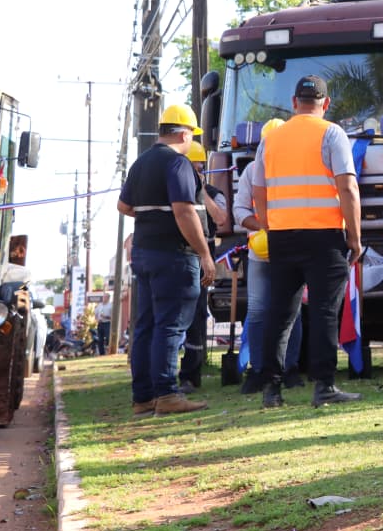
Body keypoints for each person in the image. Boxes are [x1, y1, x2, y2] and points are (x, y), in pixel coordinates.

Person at [253, 75, 364, 409]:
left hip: (283, 237)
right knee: (324, 312)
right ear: (326, 104)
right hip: (324, 237)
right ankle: (324, 386)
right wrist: (355, 237)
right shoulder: (332, 133)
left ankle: (271, 389)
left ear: (293, 102)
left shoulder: (270, 139)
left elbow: (259, 192)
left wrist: (270, 226)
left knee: (280, 313)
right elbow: (347, 188)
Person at [117, 104, 215, 418]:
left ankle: (143, 396)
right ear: (184, 133)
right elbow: (184, 211)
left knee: (146, 325)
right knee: (170, 326)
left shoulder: (141, 163)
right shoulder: (178, 163)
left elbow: (124, 205)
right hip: (174, 255)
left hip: (144, 254)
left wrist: (152, 212)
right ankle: (167, 393)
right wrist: (204, 253)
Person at [232, 119, 304, 394]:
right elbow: (239, 210)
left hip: (292, 249)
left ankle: (290, 369)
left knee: (293, 311)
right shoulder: (251, 172)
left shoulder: (298, 171)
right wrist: (264, 227)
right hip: (261, 251)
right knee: (259, 309)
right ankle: (259, 370)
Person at [178, 141, 229, 392]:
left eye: (197, 167)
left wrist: (201, 191)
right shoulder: (175, 191)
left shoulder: (213, 192)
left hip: (202, 260)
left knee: (197, 315)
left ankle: (191, 373)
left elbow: (220, 218)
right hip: (177, 257)